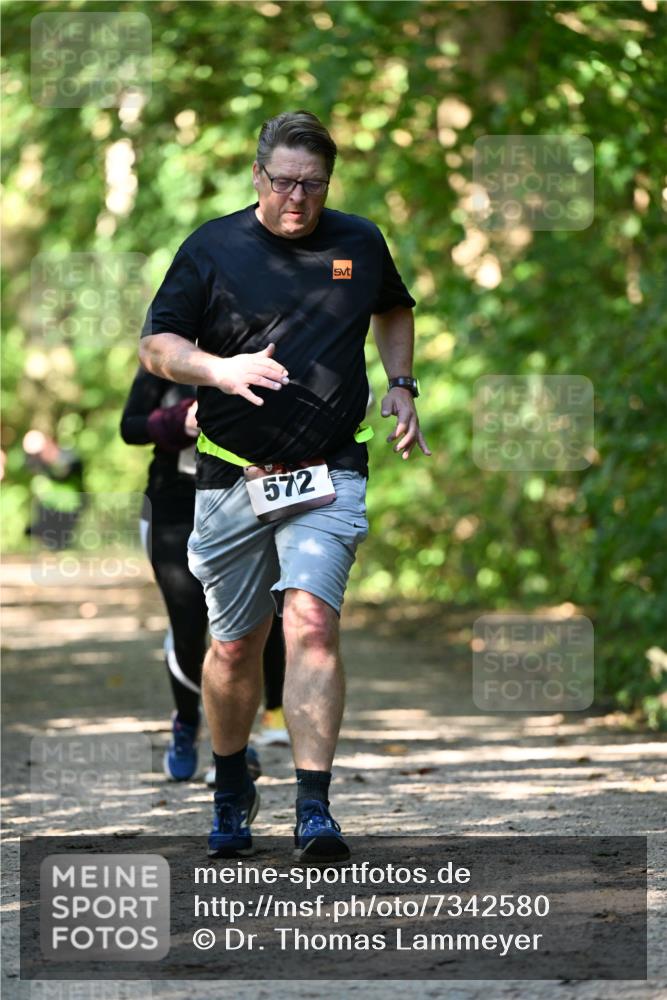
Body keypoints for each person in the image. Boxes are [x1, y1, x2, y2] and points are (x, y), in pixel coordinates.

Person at [139, 110, 429, 861]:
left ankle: (313, 807)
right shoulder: (212, 245)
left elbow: (392, 305)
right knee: (234, 647)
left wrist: (401, 383)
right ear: (257, 175)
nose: (298, 198)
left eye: (313, 184)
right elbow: (156, 345)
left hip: (329, 470)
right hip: (231, 478)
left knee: (311, 624)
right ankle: (231, 782)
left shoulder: (357, 240)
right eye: (284, 182)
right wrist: (219, 369)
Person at [119, 367, 287, 782]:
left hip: (248, 499)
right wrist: (180, 420)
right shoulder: (166, 358)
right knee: (188, 622)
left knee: (243, 627)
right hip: (174, 505)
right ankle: (187, 723)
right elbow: (130, 426)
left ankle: (231, 749)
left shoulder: (265, 354)